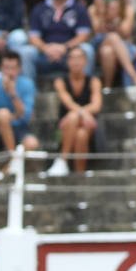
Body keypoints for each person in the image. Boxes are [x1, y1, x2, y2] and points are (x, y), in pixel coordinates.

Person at [24, 0, 93, 83]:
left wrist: (64, 48)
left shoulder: (79, 9)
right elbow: (34, 37)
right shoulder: (39, 9)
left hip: (70, 53)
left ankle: (86, 89)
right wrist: (46, 48)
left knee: (87, 50)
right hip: (45, 54)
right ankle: (29, 92)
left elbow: (83, 35)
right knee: (26, 52)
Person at [49, 45, 102, 175]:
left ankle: (77, 173)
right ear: (67, 62)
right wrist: (82, 113)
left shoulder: (93, 81)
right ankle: (63, 161)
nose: (75, 62)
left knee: (81, 133)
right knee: (73, 117)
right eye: (72, 58)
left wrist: (80, 114)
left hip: (88, 128)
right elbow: (67, 102)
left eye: (79, 58)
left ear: (85, 61)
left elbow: (97, 105)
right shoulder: (60, 81)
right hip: (63, 129)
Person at [89, 0, 136, 98]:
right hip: (98, 42)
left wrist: (115, 19)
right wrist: (103, 12)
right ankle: (134, 77)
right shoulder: (93, 8)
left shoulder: (127, 8)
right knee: (111, 38)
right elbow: (97, 30)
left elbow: (126, 32)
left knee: (108, 51)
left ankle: (107, 88)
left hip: (120, 45)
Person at [0, 49, 39, 154]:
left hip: (20, 129)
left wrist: (13, 94)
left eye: (13, 68)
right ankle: (13, 157)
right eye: (6, 68)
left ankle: (9, 165)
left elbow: (26, 117)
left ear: (19, 69)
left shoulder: (27, 84)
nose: (9, 72)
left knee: (32, 143)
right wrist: (13, 116)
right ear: (1, 68)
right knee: (3, 113)